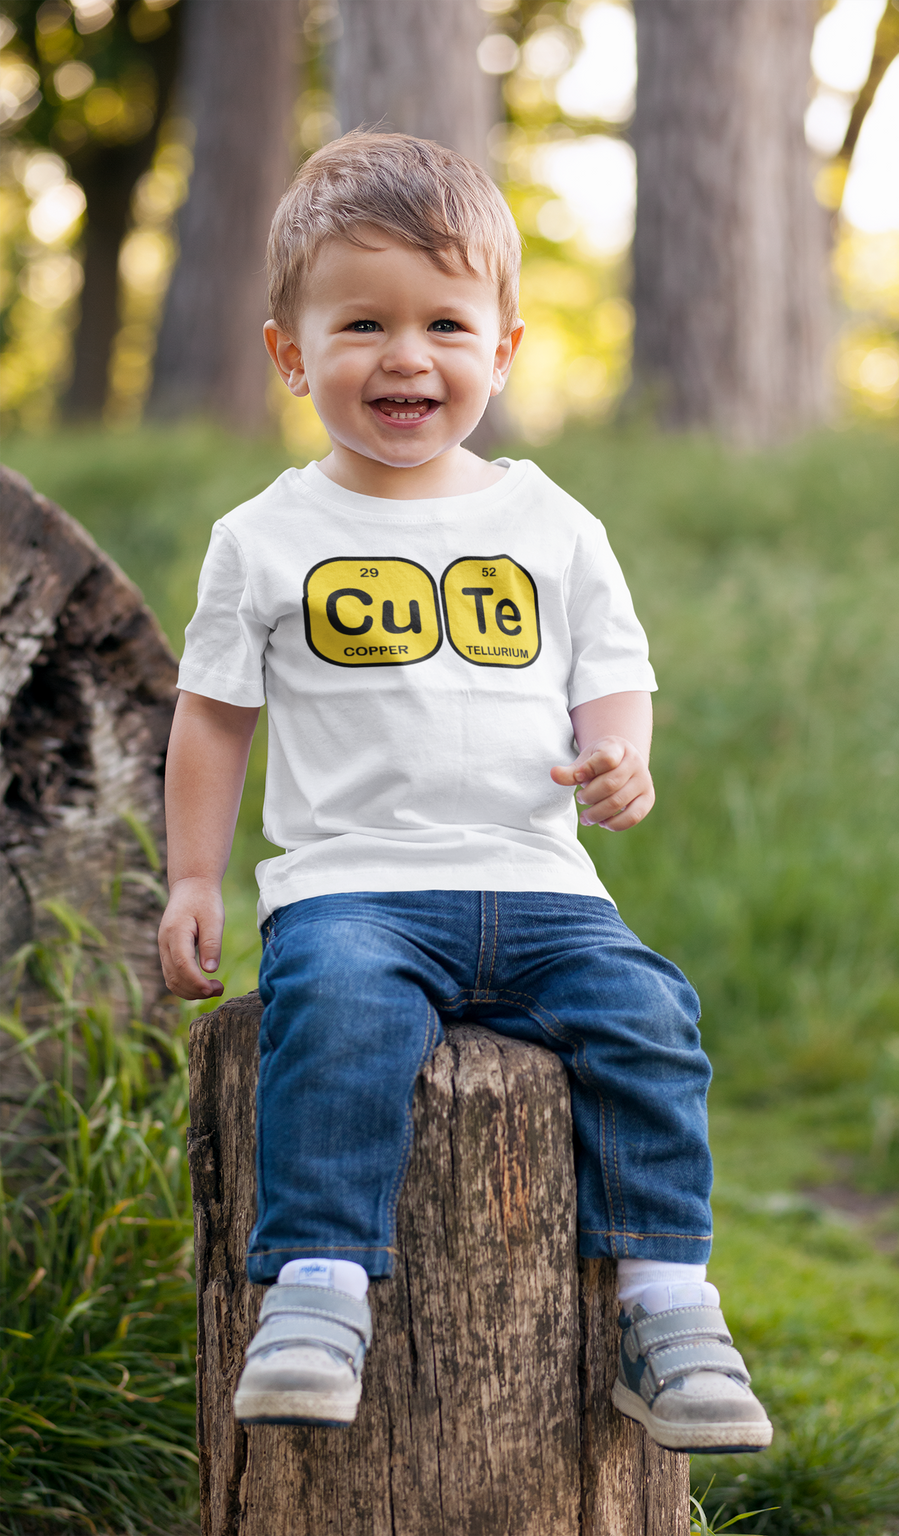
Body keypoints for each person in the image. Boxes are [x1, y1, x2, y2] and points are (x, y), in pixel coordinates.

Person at [159, 131, 772, 1456]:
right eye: (362, 322)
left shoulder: (552, 523)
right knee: (337, 1023)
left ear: (500, 350)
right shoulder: (264, 538)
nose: (405, 356)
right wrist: (198, 879)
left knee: (652, 1019)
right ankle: (317, 1290)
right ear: (289, 353)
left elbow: (613, 673)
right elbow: (213, 719)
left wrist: (620, 755)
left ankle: (668, 1309)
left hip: (541, 884)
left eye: (445, 323)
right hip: (355, 888)